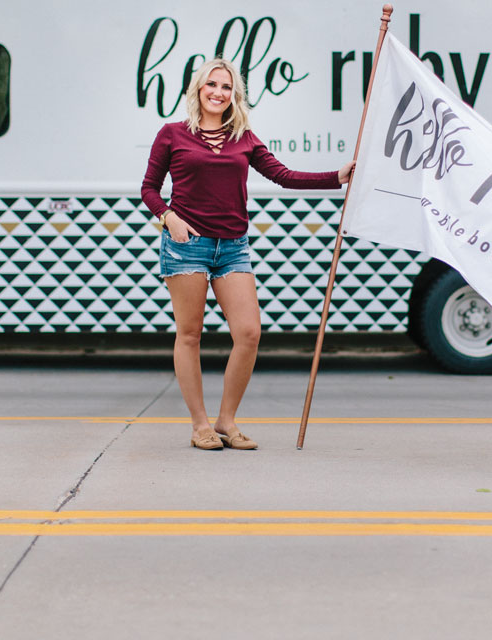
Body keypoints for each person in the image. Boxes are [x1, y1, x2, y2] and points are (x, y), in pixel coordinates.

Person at [141, 59, 354, 450]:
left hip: (233, 247)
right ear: (198, 90)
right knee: (190, 334)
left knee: (249, 333)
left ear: (234, 95)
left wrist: (335, 178)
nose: (218, 92)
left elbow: (284, 176)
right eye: (212, 85)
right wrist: (167, 216)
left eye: (226, 87)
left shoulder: (245, 138)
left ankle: (226, 419)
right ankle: (200, 424)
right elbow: (149, 188)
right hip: (187, 245)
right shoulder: (172, 134)